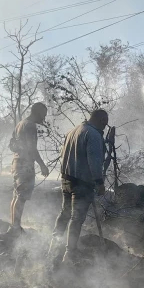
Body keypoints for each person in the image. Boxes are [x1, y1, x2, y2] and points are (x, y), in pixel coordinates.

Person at [49, 109, 108, 265]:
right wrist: (99, 182)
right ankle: (70, 254)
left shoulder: (73, 131)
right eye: (104, 123)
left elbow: (63, 156)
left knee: (65, 214)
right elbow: (94, 161)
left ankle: (54, 247)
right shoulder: (93, 135)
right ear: (101, 120)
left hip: (67, 180)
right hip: (82, 183)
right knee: (77, 219)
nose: (105, 127)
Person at [9, 102, 50, 233]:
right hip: (25, 164)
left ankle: (14, 225)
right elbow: (32, 148)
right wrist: (42, 165)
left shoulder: (20, 124)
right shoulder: (30, 126)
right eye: (43, 114)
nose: (43, 118)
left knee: (16, 195)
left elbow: (11, 145)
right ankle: (15, 227)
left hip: (16, 162)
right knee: (21, 197)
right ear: (37, 112)